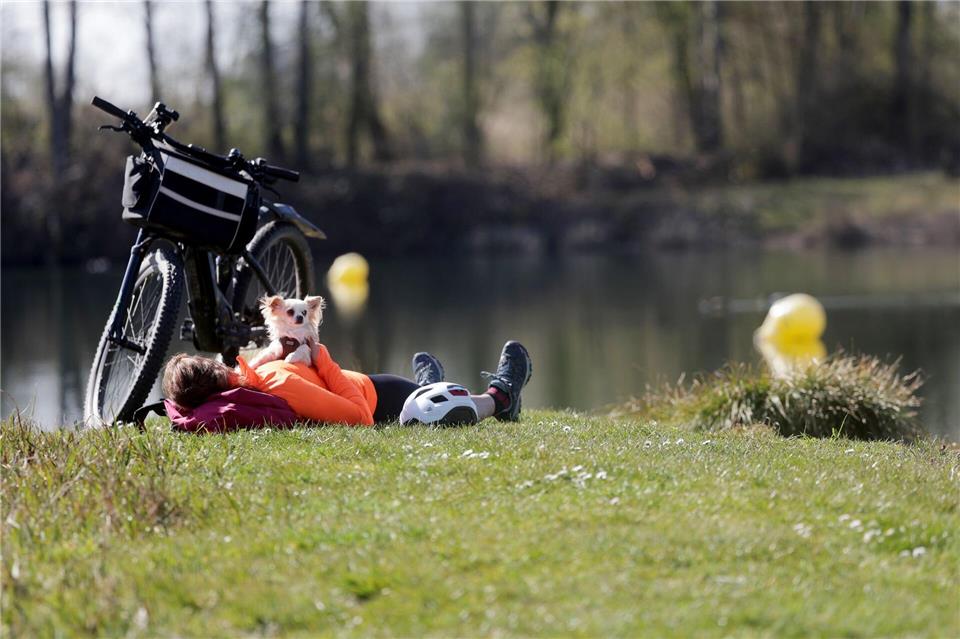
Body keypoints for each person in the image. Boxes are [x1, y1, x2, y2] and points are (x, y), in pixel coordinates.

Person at [161, 341, 532, 426]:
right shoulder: (273, 385)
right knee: (439, 408)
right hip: (385, 400)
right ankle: (502, 396)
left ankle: (429, 379)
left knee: (427, 393)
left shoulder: (254, 380)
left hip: (376, 385)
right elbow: (360, 416)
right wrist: (321, 355)